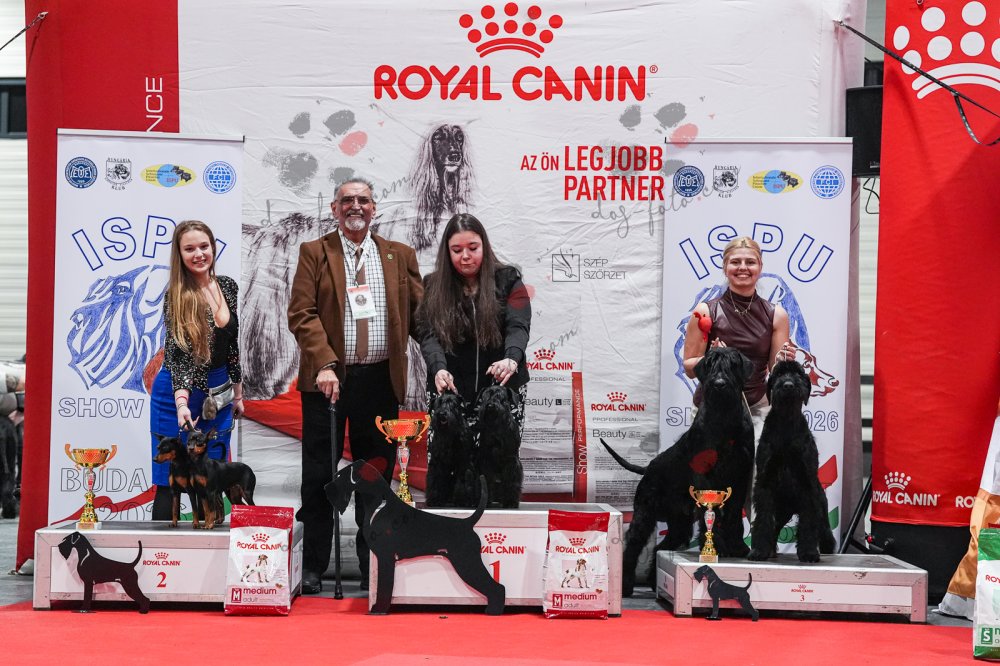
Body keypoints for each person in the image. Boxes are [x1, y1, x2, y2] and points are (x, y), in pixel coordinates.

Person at [288, 177, 422, 594]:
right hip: (327, 382)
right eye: (347, 200)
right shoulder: (315, 252)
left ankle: (373, 565)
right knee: (319, 476)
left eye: (363, 199)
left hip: (380, 381)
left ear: (374, 208)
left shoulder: (399, 255)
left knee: (375, 477)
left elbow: (421, 316)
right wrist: (325, 363)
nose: (356, 206)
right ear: (334, 209)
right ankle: (313, 567)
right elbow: (302, 314)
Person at [417, 213, 531, 501]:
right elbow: (428, 334)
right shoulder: (432, 285)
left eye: (473, 248)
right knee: (447, 465)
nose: (465, 256)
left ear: (484, 246)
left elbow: (518, 326)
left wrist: (512, 358)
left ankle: (502, 521)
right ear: (447, 252)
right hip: (451, 389)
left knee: (499, 463)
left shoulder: (509, 279)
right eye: (457, 250)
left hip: (500, 390)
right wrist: (438, 368)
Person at [150, 220, 244, 520]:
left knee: (212, 481)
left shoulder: (227, 286)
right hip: (177, 395)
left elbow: (231, 345)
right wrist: (181, 404)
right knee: (172, 483)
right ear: (180, 254)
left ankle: (210, 547)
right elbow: (179, 357)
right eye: (189, 249)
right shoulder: (176, 296)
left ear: (213, 248)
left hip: (219, 395)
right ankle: (162, 547)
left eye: (204, 246)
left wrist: (237, 394)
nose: (199, 254)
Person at [682, 235, 791, 433]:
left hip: (756, 409)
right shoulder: (705, 311)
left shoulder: (777, 315)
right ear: (725, 267)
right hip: (711, 409)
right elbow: (689, 368)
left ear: (760, 267)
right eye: (735, 262)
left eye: (750, 262)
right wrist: (712, 359)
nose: (743, 267)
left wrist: (783, 362)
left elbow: (776, 372)